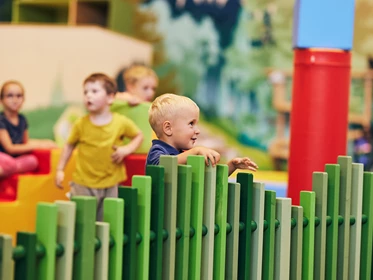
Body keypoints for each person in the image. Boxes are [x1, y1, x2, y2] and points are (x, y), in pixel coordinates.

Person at [55, 73, 143, 221]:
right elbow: (69, 145)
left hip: (110, 183)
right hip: (83, 183)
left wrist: (126, 150)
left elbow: (139, 135)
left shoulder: (120, 122)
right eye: (85, 92)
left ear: (110, 97)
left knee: (106, 223)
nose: (88, 96)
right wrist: (60, 170)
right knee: (82, 223)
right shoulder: (80, 124)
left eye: (94, 91)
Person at [147, 93, 258, 176]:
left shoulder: (183, 155)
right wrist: (196, 151)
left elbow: (209, 181)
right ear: (168, 128)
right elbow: (162, 166)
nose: (198, 130)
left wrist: (232, 166)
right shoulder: (158, 151)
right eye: (191, 123)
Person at [0, 80, 57, 177]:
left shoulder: (22, 119)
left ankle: (7, 170)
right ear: (1, 100)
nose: (15, 99)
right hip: (3, 156)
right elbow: (10, 148)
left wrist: (45, 143)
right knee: (7, 161)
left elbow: (25, 143)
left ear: (23, 99)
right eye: (10, 96)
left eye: (19, 96)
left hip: (14, 160)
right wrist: (38, 145)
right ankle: (8, 168)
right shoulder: (1, 120)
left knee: (32, 161)